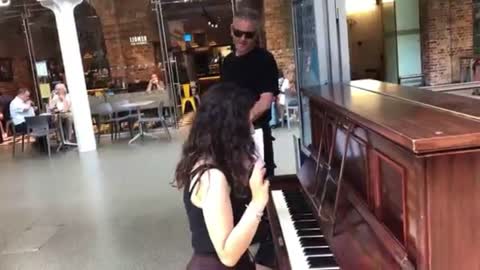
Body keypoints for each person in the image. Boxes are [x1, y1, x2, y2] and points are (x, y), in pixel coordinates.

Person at [175, 83, 273, 270]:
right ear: (230, 127)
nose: (252, 129)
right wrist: (258, 202)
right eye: (248, 121)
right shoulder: (213, 177)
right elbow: (228, 255)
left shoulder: (214, 158)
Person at [221, 8, 279, 177]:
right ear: (231, 29)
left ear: (256, 35)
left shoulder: (265, 60)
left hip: (256, 132)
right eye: (238, 33)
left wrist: (243, 121)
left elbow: (266, 100)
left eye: (249, 35)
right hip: (231, 133)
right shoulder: (228, 62)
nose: (243, 39)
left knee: (260, 180)